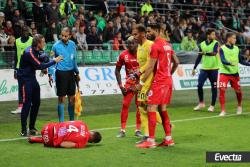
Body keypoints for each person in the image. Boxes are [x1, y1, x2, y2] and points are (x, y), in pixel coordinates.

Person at [136, 24, 179, 148]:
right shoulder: (168, 45)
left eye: (150, 31)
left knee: (151, 108)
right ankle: (168, 139)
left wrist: (141, 83)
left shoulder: (155, 46)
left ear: (157, 31)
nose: (148, 33)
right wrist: (169, 74)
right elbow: (176, 62)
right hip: (167, 81)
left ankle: (151, 141)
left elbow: (150, 67)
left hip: (159, 82)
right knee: (162, 109)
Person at [18, 34, 62, 136]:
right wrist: (54, 61)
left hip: (32, 79)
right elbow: (39, 65)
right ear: (38, 43)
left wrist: (45, 68)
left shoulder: (38, 51)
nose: (45, 43)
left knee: (36, 103)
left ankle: (32, 127)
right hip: (25, 80)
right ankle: (23, 130)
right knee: (27, 104)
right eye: (43, 42)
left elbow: (41, 61)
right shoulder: (29, 52)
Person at [132, 24, 162, 144]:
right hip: (144, 79)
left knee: (144, 106)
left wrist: (140, 72)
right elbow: (143, 64)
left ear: (142, 34)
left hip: (150, 79)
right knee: (143, 106)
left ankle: (148, 134)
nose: (133, 37)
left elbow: (151, 64)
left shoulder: (150, 45)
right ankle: (163, 124)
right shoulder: (140, 46)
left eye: (135, 34)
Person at [49, 27, 80, 122]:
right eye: (62, 35)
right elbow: (51, 60)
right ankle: (61, 122)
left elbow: (74, 59)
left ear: (70, 36)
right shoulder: (55, 46)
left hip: (71, 74)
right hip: (60, 74)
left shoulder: (72, 44)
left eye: (65, 36)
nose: (63, 37)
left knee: (72, 98)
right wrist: (50, 74)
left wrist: (77, 72)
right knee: (61, 98)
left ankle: (72, 121)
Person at [115, 36, 141, 138]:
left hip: (141, 84)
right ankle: (122, 130)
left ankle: (138, 130)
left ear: (137, 44)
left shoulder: (142, 53)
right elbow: (117, 70)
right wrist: (121, 86)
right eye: (128, 43)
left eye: (132, 43)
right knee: (125, 105)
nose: (130, 45)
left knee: (140, 106)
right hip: (129, 84)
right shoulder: (123, 55)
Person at [218, 32, 250, 116]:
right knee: (222, 90)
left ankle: (239, 106)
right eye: (233, 38)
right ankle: (223, 110)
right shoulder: (222, 48)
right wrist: (229, 63)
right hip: (224, 73)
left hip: (235, 74)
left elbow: (241, 61)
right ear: (228, 38)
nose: (235, 40)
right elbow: (222, 60)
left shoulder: (236, 49)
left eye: (235, 38)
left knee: (238, 91)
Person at [192, 29, 220, 112]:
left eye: (215, 35)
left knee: (214, 87)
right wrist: (194, 68)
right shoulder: (202, 44)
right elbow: (199, 57)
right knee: (199, 85)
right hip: (204, 68)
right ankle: (201, 103)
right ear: (208, 35)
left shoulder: (216, 43)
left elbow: (214, 53)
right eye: (213, 34)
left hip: (214, 68)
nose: (214, 36)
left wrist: (204, 53)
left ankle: (212, 105)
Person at [28, 120, 102, 148]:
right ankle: (35, 139)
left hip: (47, 127)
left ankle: (34, 139)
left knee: (62, 132)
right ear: (92, 142)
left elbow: (67, 122)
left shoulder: (82, 123)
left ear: (93, 132)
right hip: (48, 139)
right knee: (58, 140)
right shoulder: (82, 143)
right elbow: (62, 144)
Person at [11, 26, 33, 114]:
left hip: (30, 67)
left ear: (28, 31)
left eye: (27, 30)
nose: (25, 32)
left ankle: (29, 104)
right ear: (21, 31)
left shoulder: (32, 40)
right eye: (24, 30)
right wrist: (15, 70)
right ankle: (20, 106)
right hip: (20, 68)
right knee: (20, 88)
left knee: (29, 87)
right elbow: (16, 56)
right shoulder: (17, 41)